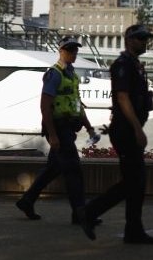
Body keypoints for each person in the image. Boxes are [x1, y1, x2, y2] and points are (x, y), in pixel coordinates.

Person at [78, 24, 153, 245]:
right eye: (141, 38)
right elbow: (123, 98)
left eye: (146, 39)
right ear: (129, 40)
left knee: (136, 182)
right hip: (126, 131)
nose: (145, 42)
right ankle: (90, 212)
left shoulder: (135, 65)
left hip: (127, 128)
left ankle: (134, 230)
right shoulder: (123, 65)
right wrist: (137, 129)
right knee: (133, 181)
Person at [15, 36, 101, 226]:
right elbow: (45, 106)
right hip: (58, 128)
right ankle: (80, 213)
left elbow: (78, 105)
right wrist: (52, 135)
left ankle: (27, 201)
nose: (73, 53)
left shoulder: (72, 76)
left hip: (68, 128)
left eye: (75, 50)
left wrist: (88, 127)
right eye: (69, 49)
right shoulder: (54, 74)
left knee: (54, 168)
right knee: (73, 169)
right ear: (61, 51)